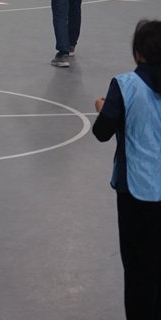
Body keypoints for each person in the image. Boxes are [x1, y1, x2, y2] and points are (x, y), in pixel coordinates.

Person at [92, 19, 161, 320]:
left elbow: (102, 131)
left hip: (136, 191)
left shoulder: (125, 85)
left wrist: (103, 108)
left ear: (138, 53)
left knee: (137, 271)